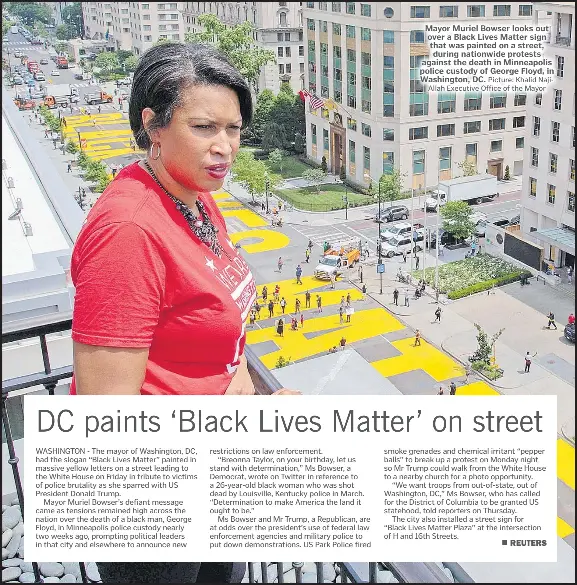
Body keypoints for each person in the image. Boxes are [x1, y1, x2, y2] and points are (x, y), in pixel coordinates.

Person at [71, 43, 299, 585]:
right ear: (152, 124)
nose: (224, 148)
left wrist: (247, 392)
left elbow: (221, 329)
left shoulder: (196, 196)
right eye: (203, 128)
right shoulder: (130, 232)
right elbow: (106, 425)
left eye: (234, 129)